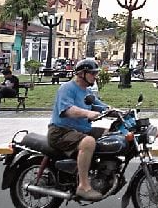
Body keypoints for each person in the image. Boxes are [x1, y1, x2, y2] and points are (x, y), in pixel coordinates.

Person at [47, 58, 113, 200]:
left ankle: (104, 173)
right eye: (93, 73)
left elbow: (101, 106)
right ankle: (83, 186)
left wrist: (119, 112)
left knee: (112, 134)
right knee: (88, 142)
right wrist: (87, 113)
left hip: (80, 131)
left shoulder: (87, 92)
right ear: (82, 73)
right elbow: (67, 110)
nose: (95, 76)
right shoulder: (67, 88)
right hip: (60, 131)